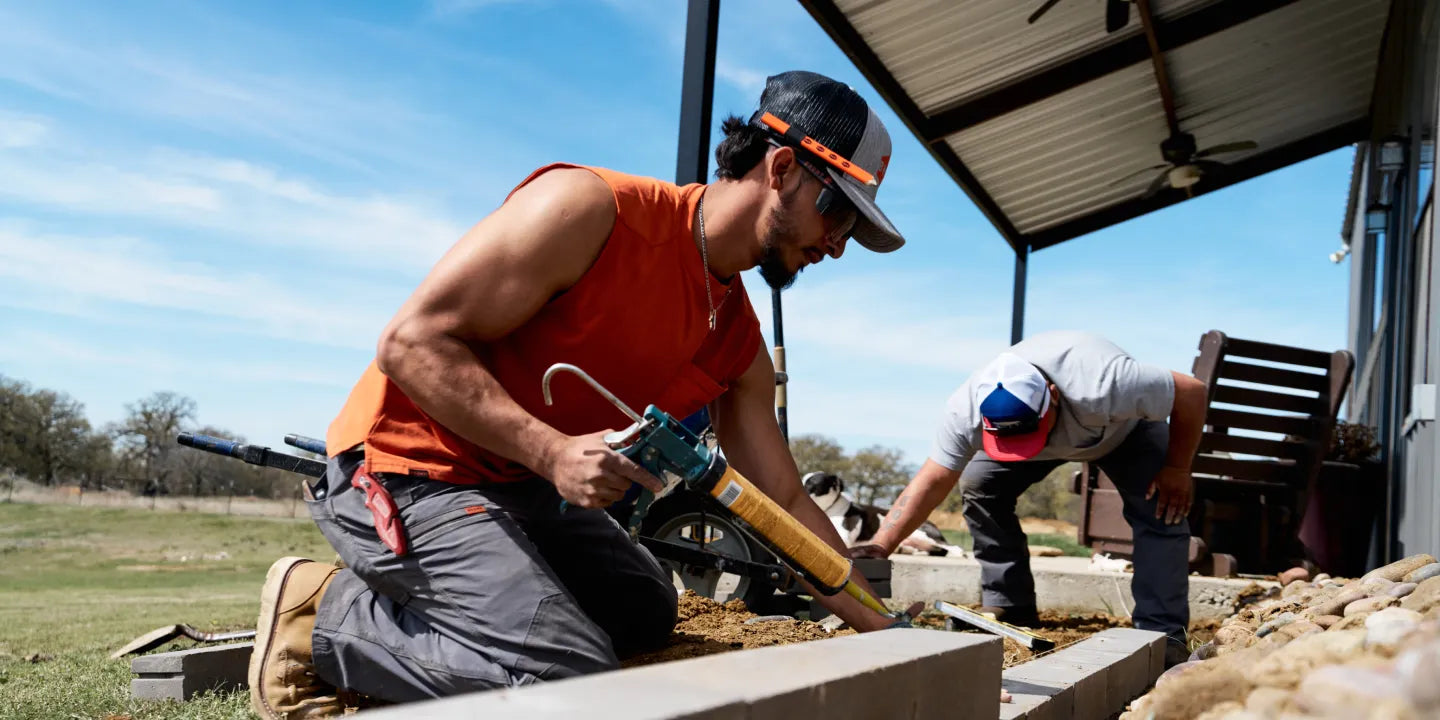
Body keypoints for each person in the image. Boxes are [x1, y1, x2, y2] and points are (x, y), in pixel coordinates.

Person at [247, 70, 908, 719]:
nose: (838, 246)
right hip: (409, 468)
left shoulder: (736, 340)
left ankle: (478, 610)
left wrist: (888, 631)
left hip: (518, 485)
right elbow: (410, 343)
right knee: (568, 676)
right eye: (838, 213)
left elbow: (784, 501)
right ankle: (321, 618)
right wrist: (553, 453)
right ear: (783, 168)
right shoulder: (592, 211)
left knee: (643, 612)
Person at [852, 331, 1207, 665]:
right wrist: (881, 545)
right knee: (979, 483)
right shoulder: (965, 409)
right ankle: (1010, 602)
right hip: (1047, 428)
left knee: (1162, 506)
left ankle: (1160, 633)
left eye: (1028, 436)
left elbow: (1190, 392)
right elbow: (932, 480)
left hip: (1125, 433)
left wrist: (1177, 468)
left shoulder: (1102, 383)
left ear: (1052, 395)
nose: (1022, 450)